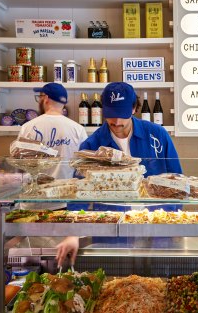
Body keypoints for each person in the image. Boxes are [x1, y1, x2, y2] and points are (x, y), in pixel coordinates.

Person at [56, 82, 182, 266]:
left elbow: (177, 179)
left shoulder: (158, 135)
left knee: (158, 283)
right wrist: (73, 233)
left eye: (121, 114)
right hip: (112, 231)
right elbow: (80, 191)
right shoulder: (92, 145)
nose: (116, 122)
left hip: (158, 227)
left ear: (133, 108)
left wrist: (174, 221)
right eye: (110, 115)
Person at [18, 82, 87, 266]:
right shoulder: (78, 129)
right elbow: (84, 169)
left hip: (34, 208)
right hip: (65, 206)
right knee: (64, 264)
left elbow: (21, 164)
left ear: (45, 99)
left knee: (37, 265)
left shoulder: (28, 127)